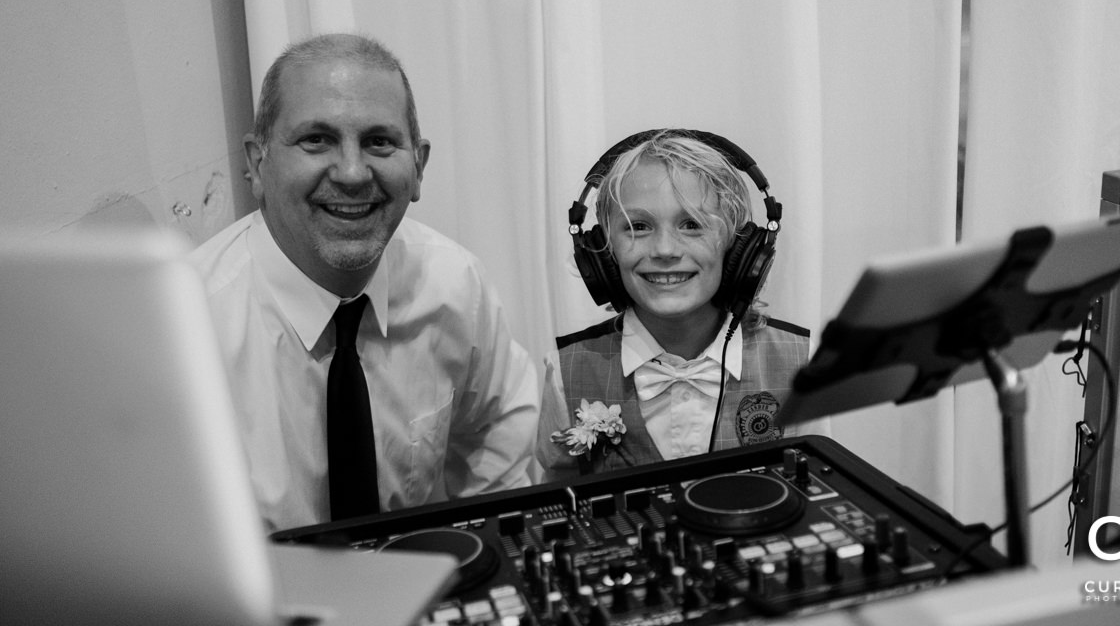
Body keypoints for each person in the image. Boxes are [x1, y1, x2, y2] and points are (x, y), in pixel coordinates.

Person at [192, 33, 539, 530]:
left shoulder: (455, 285)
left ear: (418, 166)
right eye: (316, 139)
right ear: (255, 164)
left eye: (379, 141)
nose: (353, 173)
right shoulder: (185, 331)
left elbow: (498, 431)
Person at [537, 129, 810, 480]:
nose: (665, 250)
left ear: (739, 247)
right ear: (603, 250)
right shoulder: (567, 371)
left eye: (691, 225)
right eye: (637, 226)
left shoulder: (802, 366)